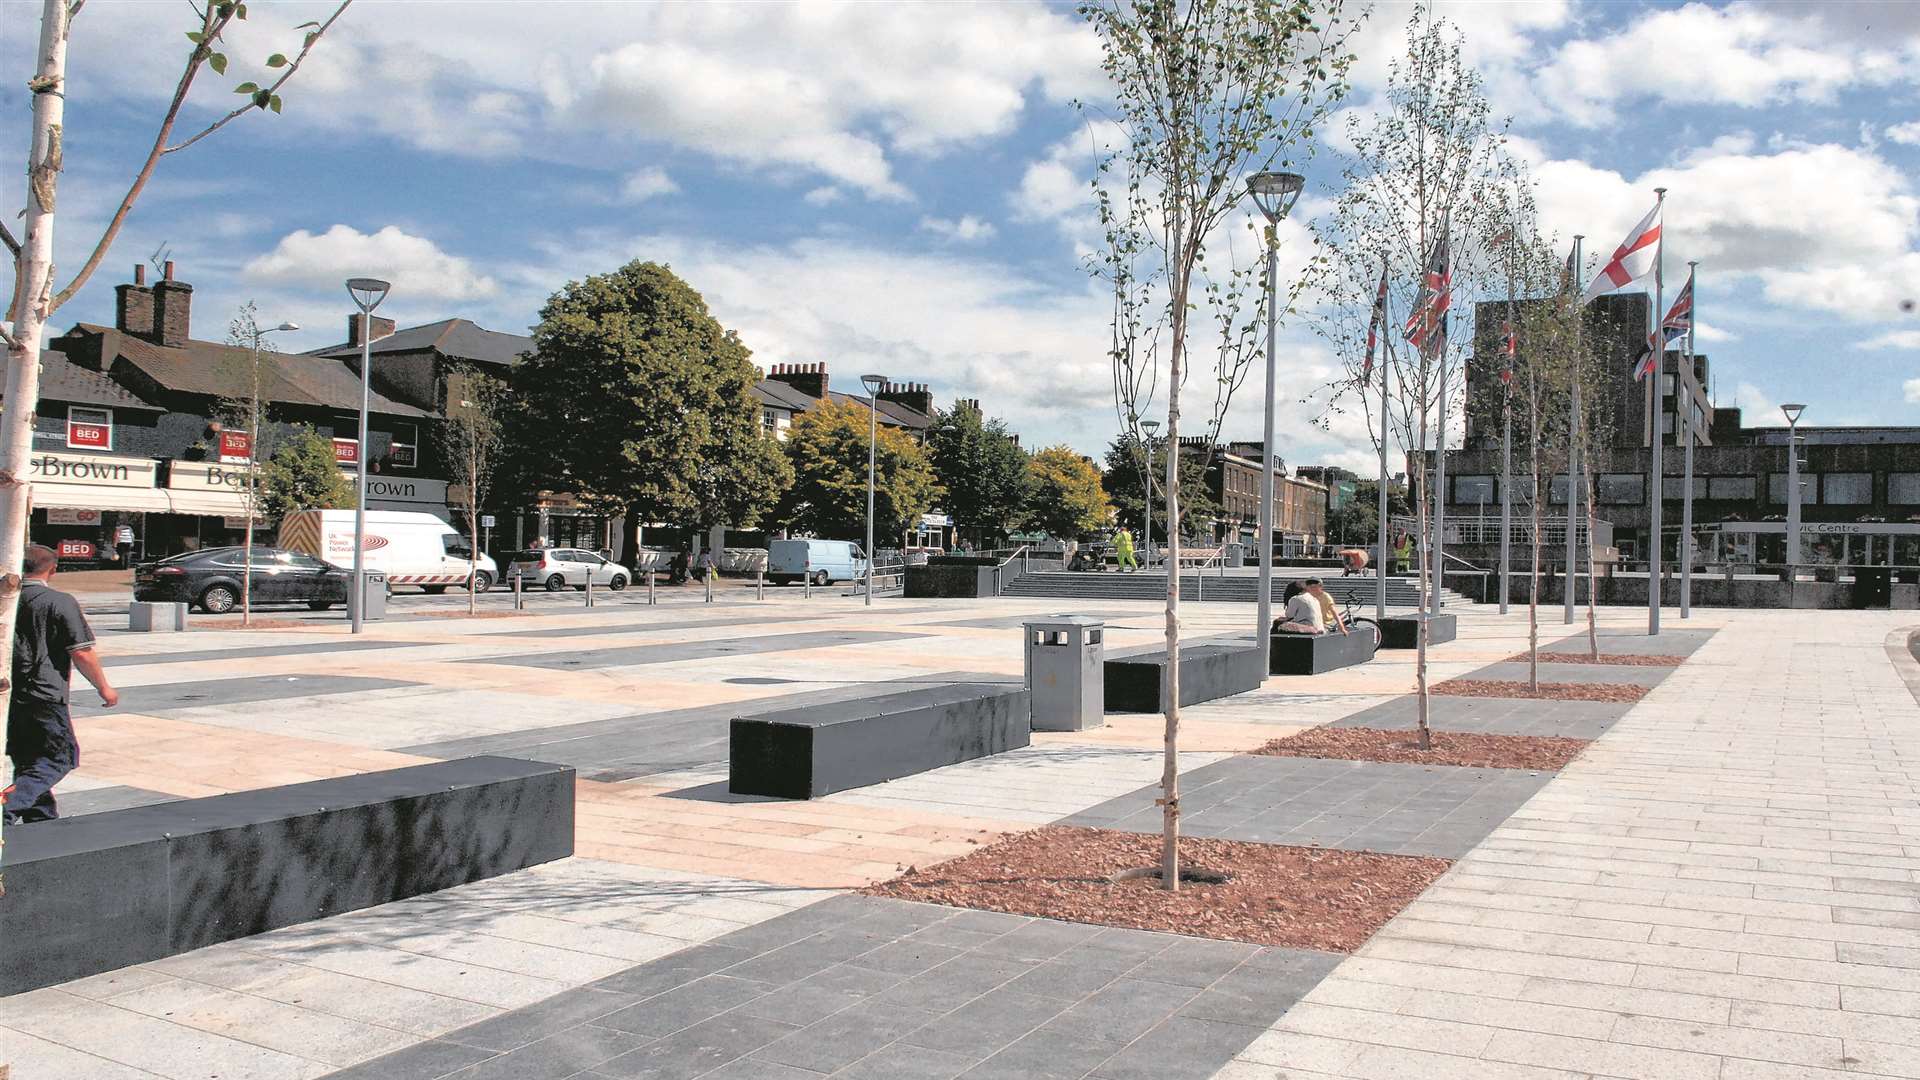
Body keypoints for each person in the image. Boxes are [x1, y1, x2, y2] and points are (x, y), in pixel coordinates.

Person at [5, 545, 117, 824]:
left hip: (10, 698)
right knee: (58, 759)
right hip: (44, 694)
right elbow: (81, 651)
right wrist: (104, 687)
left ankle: (42, 824)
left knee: (30, 763)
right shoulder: (58, 601)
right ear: (53, 569)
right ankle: (4, 806)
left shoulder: (7, 599)